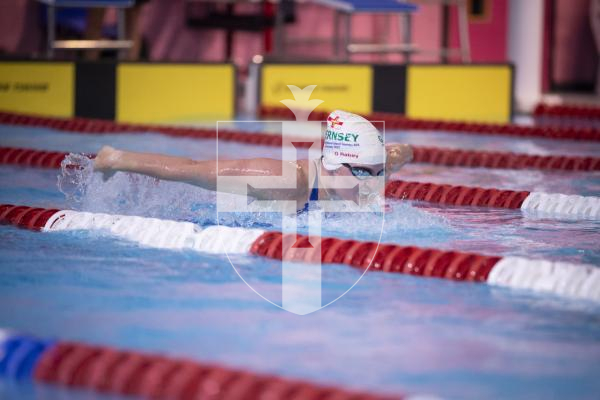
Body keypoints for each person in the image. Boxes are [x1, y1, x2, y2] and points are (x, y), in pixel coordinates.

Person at [93, 110, 413, 211]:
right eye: (362, 173)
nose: (373, 183)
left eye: (379, 173)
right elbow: (191, 169)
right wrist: (118, 159)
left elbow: (403, 153)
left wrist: (397, 154)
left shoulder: (370, 168)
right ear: (333, 164)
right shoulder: (282, 182)